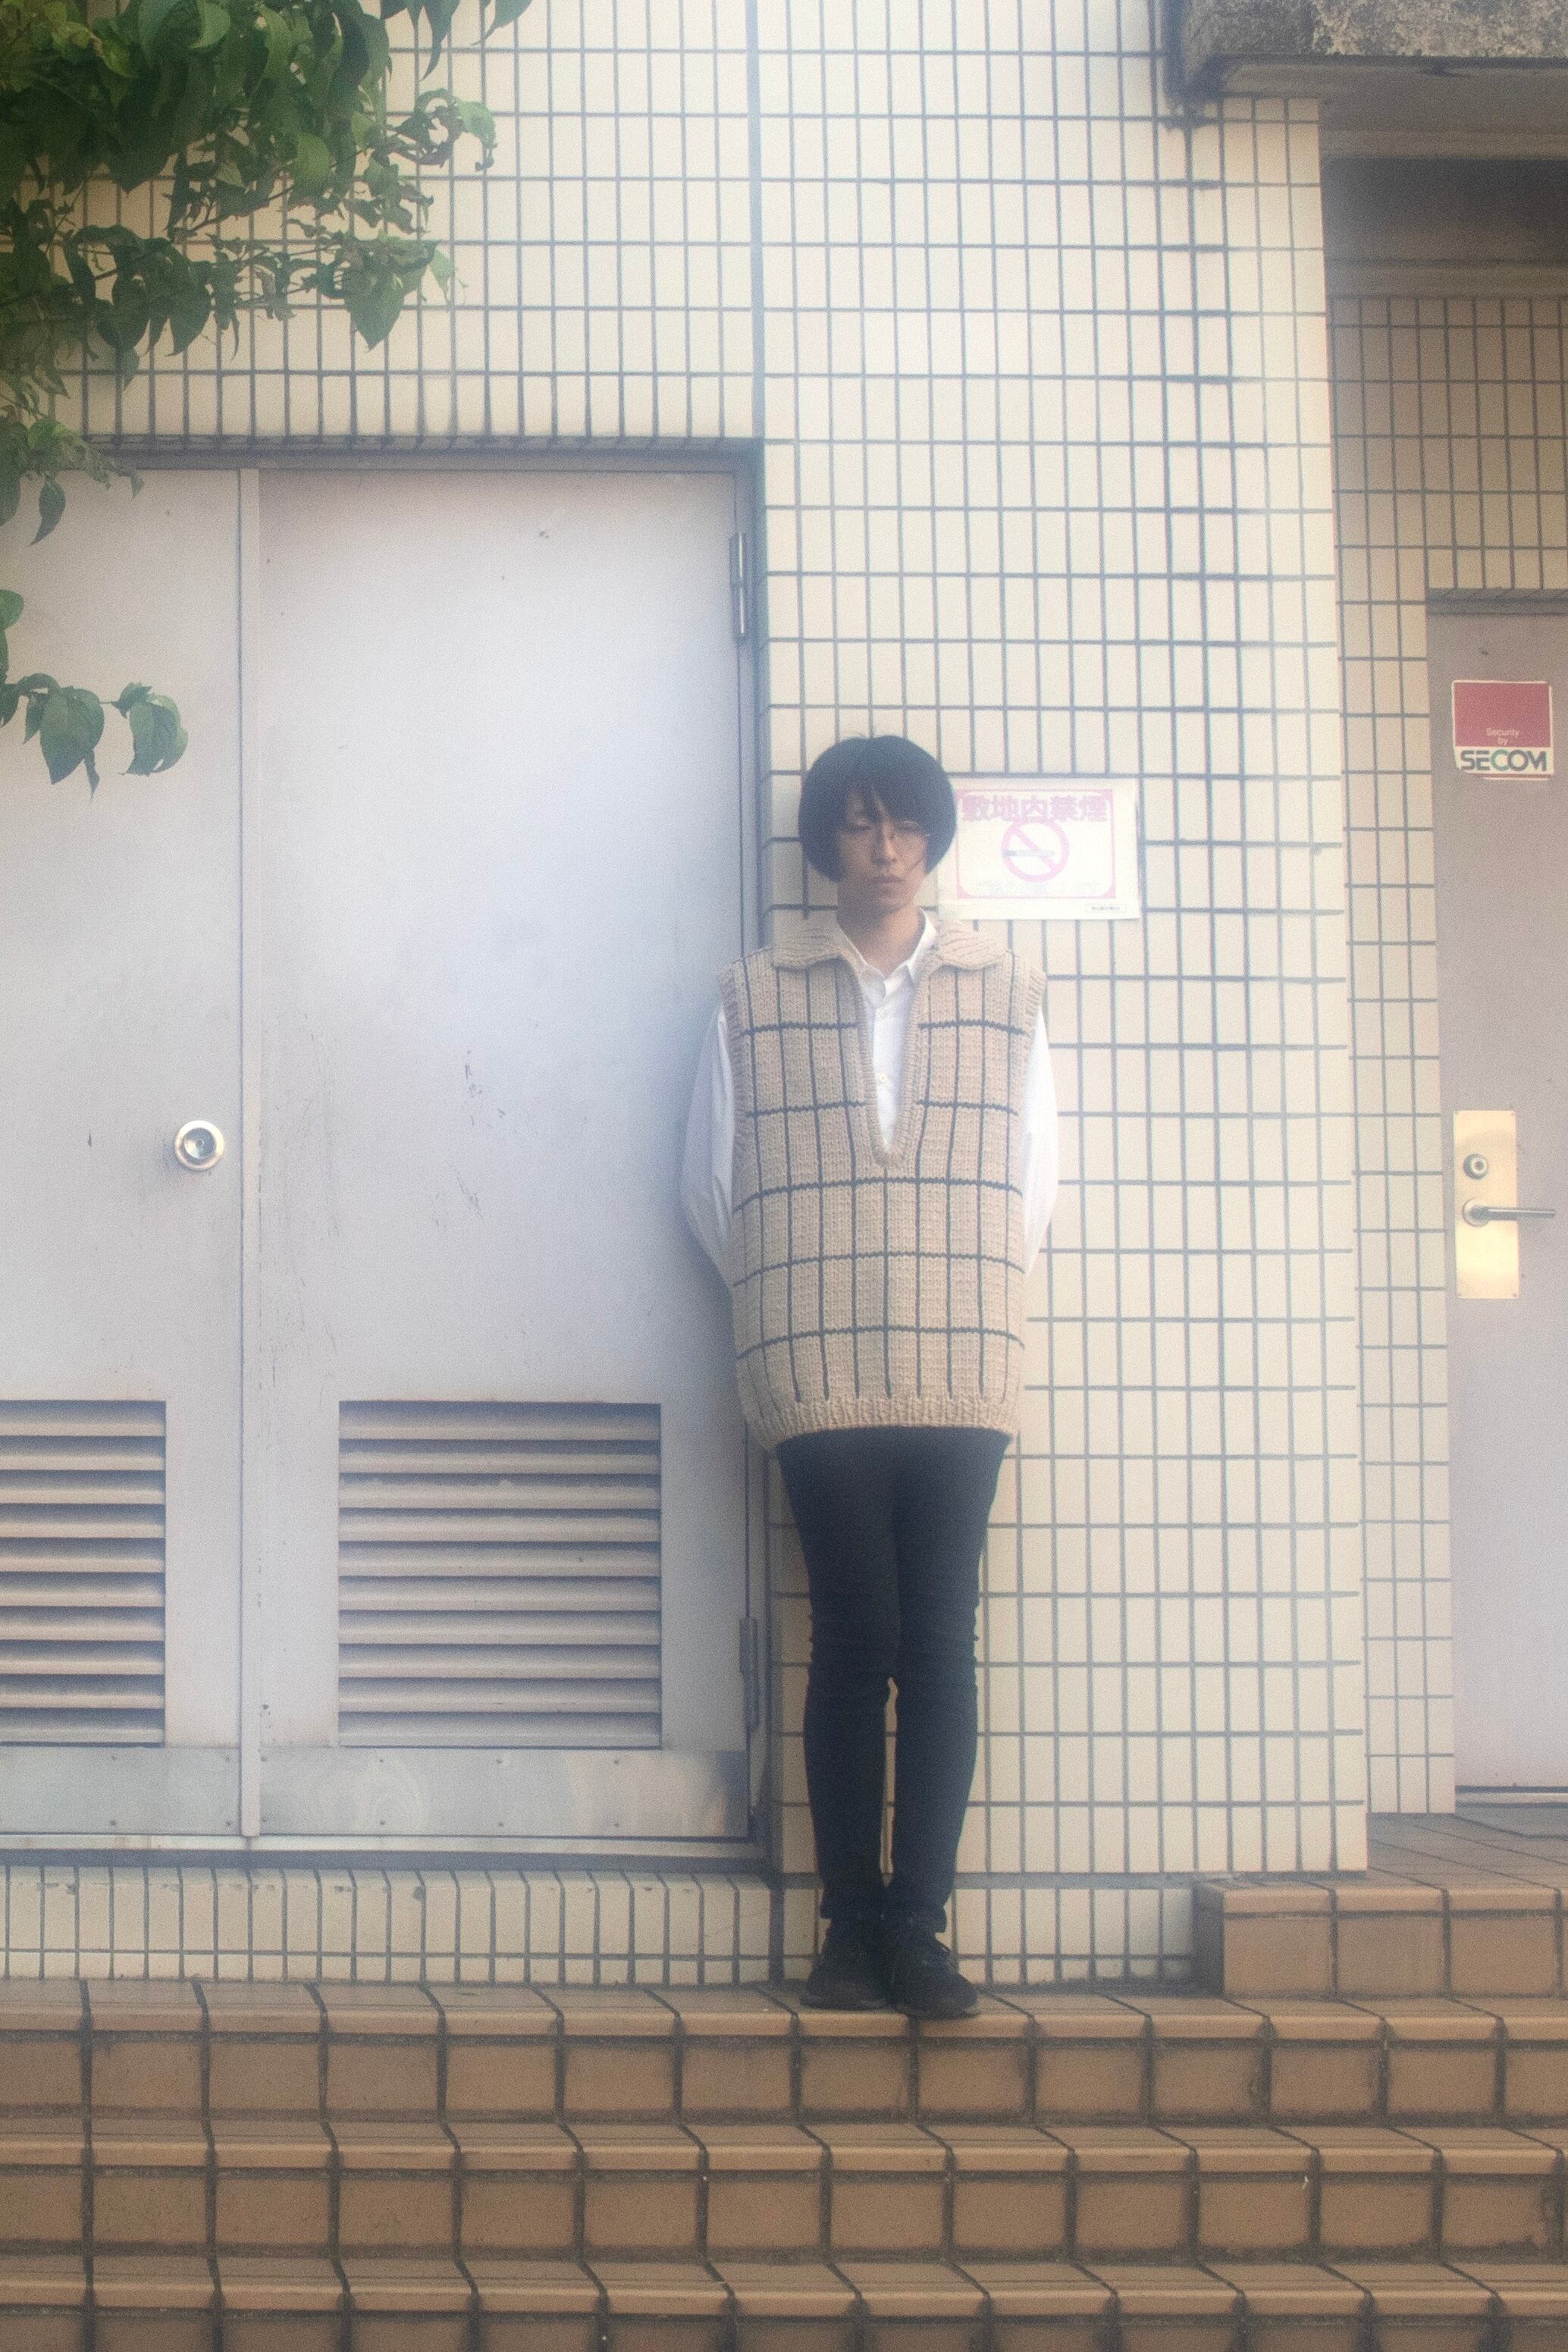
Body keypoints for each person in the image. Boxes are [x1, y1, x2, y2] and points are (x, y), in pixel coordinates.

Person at [682, 735, 1058, 2018]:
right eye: (858, 824)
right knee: (854, 1636)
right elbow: (711, 1185)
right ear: (825, 843)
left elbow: (1035, 1186)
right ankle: (849, 1929)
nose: (885, 849)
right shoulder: (752, 994)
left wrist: (951, 1283)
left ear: (934, 838)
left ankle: (920, 1929)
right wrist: (799, 1290)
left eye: (904, 825)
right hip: (817, 1359)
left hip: (963, 1361)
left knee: (940, 1639)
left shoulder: (1009, 990)